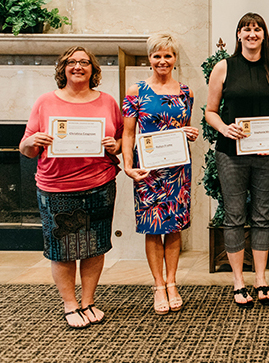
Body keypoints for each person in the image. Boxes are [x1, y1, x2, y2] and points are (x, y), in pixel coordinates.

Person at [20, 46, 123, 328]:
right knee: (62, 248)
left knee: (94, 246)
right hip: (56, 187)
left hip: (99, 184)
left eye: (84, 62)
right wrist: (33, 142)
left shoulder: (108, 102)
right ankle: (70, 304)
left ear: (93, 69)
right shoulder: (45, 102)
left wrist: (117, 145)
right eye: (72, 62)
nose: (78, 66)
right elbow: (25, 147)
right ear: (63, 68)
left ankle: (88, 300)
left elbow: (121, 141)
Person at [205, 12, 269, 308]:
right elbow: (211, 111)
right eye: (247, 29)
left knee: (262, 215)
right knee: (233, 216)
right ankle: (238, 282)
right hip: (230, 152)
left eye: (257, 29)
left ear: (264, 35)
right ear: (239, 35)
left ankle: (260, 279)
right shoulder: (224, 67)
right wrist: (224, 128)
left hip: (268, 155)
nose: (252, 34)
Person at [122, 33, 198, 315]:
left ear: (174, 58)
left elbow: (184, 129)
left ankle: (172, 282)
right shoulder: (136, 90)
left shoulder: (186, 92)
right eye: (157, 56)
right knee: (154, 228)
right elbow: (128, 133)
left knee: (174, 227)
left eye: (168, 55)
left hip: (178, 169)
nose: (162, 61)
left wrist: (190, 133)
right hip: (148, 170)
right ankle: (157, 285)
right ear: (150, 58)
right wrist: (128, 166)